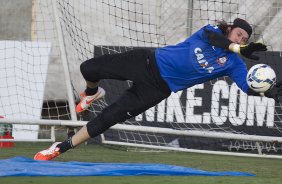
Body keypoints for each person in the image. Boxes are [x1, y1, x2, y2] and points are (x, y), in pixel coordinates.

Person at [34, 18, 282, 160]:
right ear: (230, 29)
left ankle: (61, 147)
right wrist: (237, 48)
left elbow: (246, 87)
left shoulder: (232, 64)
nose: (240, 39)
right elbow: (217, 41)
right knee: (88, 68)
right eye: (238, 34)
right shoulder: (213, 31)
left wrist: (266, 91)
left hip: (158, 89)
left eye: (244, 39)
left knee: (109, 117)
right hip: (147, 62)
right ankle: (91, 93)